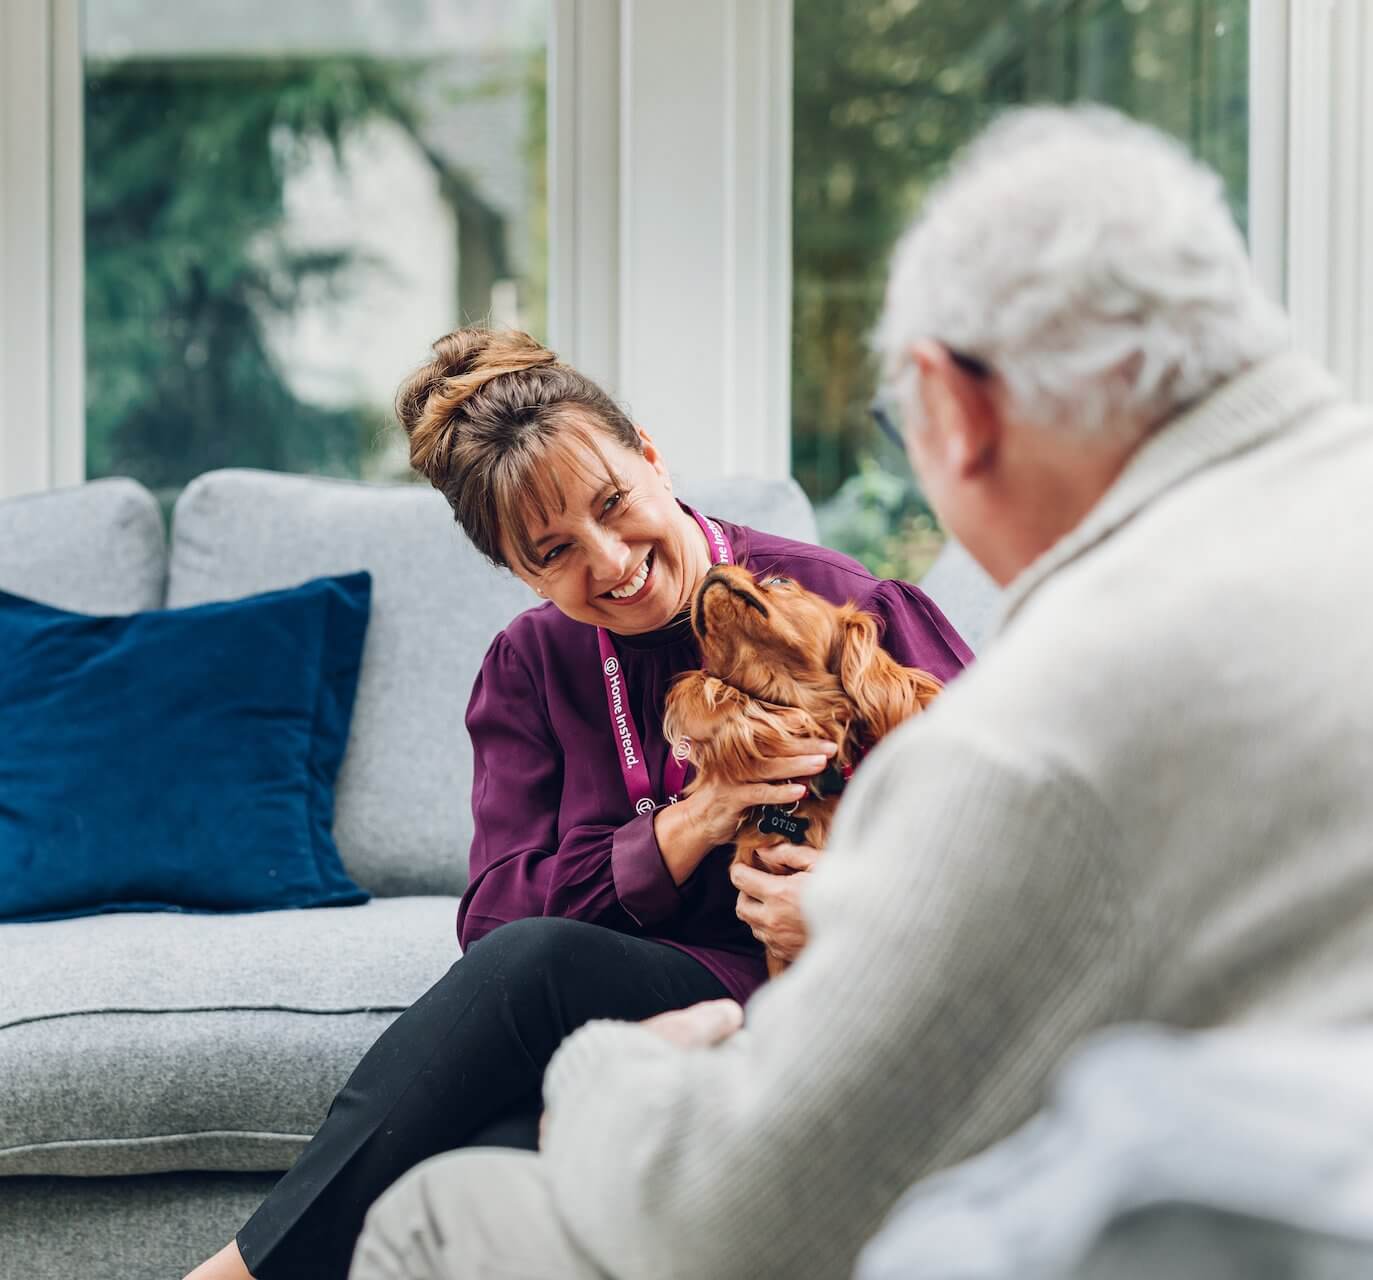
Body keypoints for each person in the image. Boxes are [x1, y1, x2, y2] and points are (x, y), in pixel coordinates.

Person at [346, 105, 1373, 1280]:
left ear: (955, 409)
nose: (608, 560)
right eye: (548, 551)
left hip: (1170, 1220)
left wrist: (608, 1071)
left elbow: (744, 1212)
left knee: (439, 1210)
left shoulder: (1050, 717)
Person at [184, 329, 970, 1280]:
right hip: (664, 997)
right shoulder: (531, 666)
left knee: (526, 1027)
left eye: (613, 505)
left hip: (833, 992)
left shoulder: (837, 604)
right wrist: (687, 823)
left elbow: (1007, 835)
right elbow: (496, 921)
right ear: (517, 571)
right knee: (494, 1132)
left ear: (649, 454)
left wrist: (852, 907)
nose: (609, 563)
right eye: (554, 552)